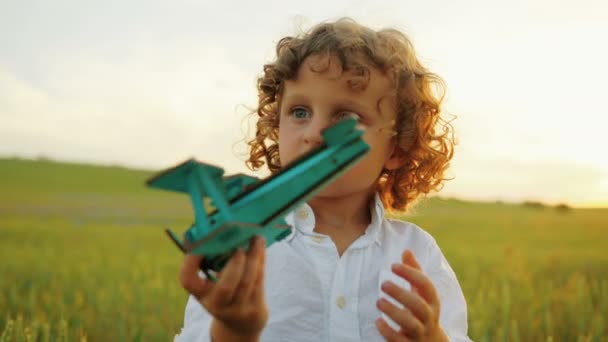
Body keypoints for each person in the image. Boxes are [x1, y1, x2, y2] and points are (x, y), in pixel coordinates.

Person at [177, 18, 471, 342]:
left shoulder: (416, 253)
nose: (315, 133)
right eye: (300, 111)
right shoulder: (245, 245)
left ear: (397, 148)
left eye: (346, 116)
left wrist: (433, 337)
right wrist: (233, 330)